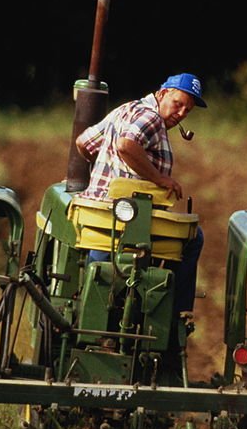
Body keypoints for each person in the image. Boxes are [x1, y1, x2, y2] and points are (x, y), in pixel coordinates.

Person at [75, 73, 206, 316]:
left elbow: (83, 142)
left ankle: (93, 305)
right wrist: (159, 178)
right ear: (163, 92)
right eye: (178, 104)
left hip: (100, 218)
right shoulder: (152, 118)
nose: (181, 114)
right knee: (194, 237)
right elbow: (127, 145)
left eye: (187, 111)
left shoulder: (124, 109)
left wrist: (105, 164)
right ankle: (177, 312)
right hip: (133, 220)